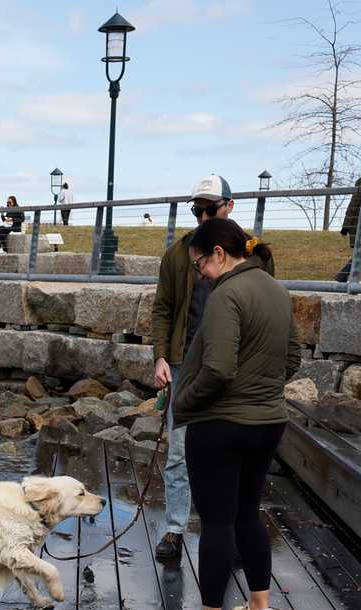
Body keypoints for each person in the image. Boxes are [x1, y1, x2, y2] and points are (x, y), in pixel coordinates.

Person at [173, 218, 301, 610]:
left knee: (216, 522)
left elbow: (220, 368)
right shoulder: (276, 289)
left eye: (199, 265)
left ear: (220, 255)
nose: (200, 274)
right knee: (248, 514)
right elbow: (294, 357)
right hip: (268, 422)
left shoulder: (225, 294)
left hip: (221, 425)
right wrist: (262, 386)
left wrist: (185, 401)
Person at [150, 175, 276, 562]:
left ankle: (231, 532)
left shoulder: (256, 255)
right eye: (196, 209)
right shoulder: (177, 254)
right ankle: (174, 528)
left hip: (236, 372)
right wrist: (160, 356)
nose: (202, 216)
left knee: (230, 454)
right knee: (178, 453)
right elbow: (163, 308)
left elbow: (265, 313)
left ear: (229, 207)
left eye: (210, 208)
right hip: (184, 365)